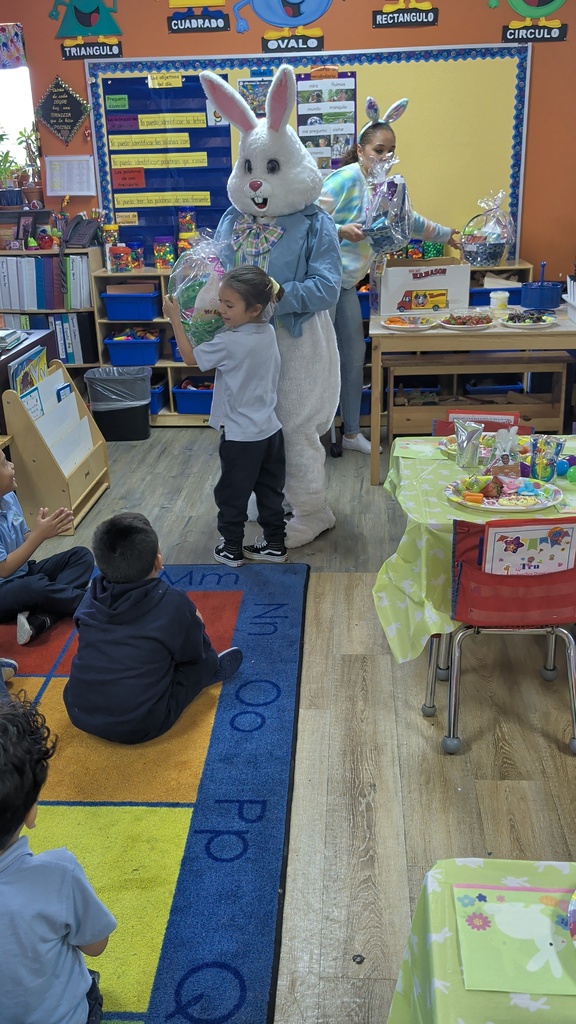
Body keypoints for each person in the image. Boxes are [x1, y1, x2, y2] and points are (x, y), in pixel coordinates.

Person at [319, 97, 460, 455]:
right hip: (320, 284)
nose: (384, 157)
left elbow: (410, 222)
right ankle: (314, 435)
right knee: (321, 361)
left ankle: (351, 432)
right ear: (360, 150)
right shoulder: (346, 178)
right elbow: (308, 220)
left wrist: (448, 235)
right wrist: (339, 230)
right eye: (378, 150)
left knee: (354, 357)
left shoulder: (387, 186)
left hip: (346, 285)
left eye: (390, 151)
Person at [64, 512, 243, 744]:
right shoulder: (173, 603)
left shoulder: (90, 597)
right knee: (206, 661)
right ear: (158, 561)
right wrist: (195, 620)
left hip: (78, 711)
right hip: (141, 725)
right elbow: (195, 652)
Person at [0, 694, 116, 1023]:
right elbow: (95, 944)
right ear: (30, 812)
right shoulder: (57, 874)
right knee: (85, 983)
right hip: (65, 1017)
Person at [164, 266, 287, 567]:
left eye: (229, 305)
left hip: (241, 437)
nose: (220, 309)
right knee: (270, 493)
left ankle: (232, 549)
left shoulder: (229, 343)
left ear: (254, 309)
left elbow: (190, 357)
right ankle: (275, 544)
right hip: (271, 432)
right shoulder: (268, 332)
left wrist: (175, 319)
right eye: (220, 301)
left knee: (232, 494)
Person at [0, 449, 94, 644]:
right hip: (4, 589)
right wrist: (39, 536)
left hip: (23, 573)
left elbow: (24, 537)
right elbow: (4, 569)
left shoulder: (8, 497)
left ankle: (40, 619)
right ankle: (94, 602)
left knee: (81, 556)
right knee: (34, 586)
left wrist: (44, 530)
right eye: (4, 464)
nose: (12, 465)